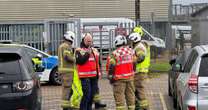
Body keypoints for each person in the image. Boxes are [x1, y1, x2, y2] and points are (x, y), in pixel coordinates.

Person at [75, 33, 103, 110]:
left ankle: (90, 108)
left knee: (91, 96)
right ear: (83, 40)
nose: (89, 43)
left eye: (90, 41)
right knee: (86, 95)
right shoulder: (79, 50)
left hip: (94, 77)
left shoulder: (94, 50)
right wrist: (87, 53)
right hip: (85, 77)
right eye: (88, 41)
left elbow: (98, 62)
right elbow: (80, 61)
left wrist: (99, 73)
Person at [107, 35, 135, 110]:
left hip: (119, 79)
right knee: (130, 97)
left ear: (116, 43)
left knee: (120, 99)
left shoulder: (115, 53)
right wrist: (132, 72)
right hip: (130, 78)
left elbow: (111, 65)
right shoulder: (131, 51)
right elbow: (134, 63)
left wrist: (110, 76)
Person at [129, 32, 150, 110]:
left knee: (139, 90)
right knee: (136, 90)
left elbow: (141, 57)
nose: (130, 42)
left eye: (131, 40)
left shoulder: (139, 47)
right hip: (139, 72)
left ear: (135, 40)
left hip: (139, 73)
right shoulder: (138, 46)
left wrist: (134, 61)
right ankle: (139, 106)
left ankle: (145, 108)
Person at [58, 31, 76, 110]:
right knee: (67, 90)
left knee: (67, 89)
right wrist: (75, 59)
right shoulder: (66, 46)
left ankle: (67, 105)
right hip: (67, 72)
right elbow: (67, 57)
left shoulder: (62, 45)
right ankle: (65, 107)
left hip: (64, 72)